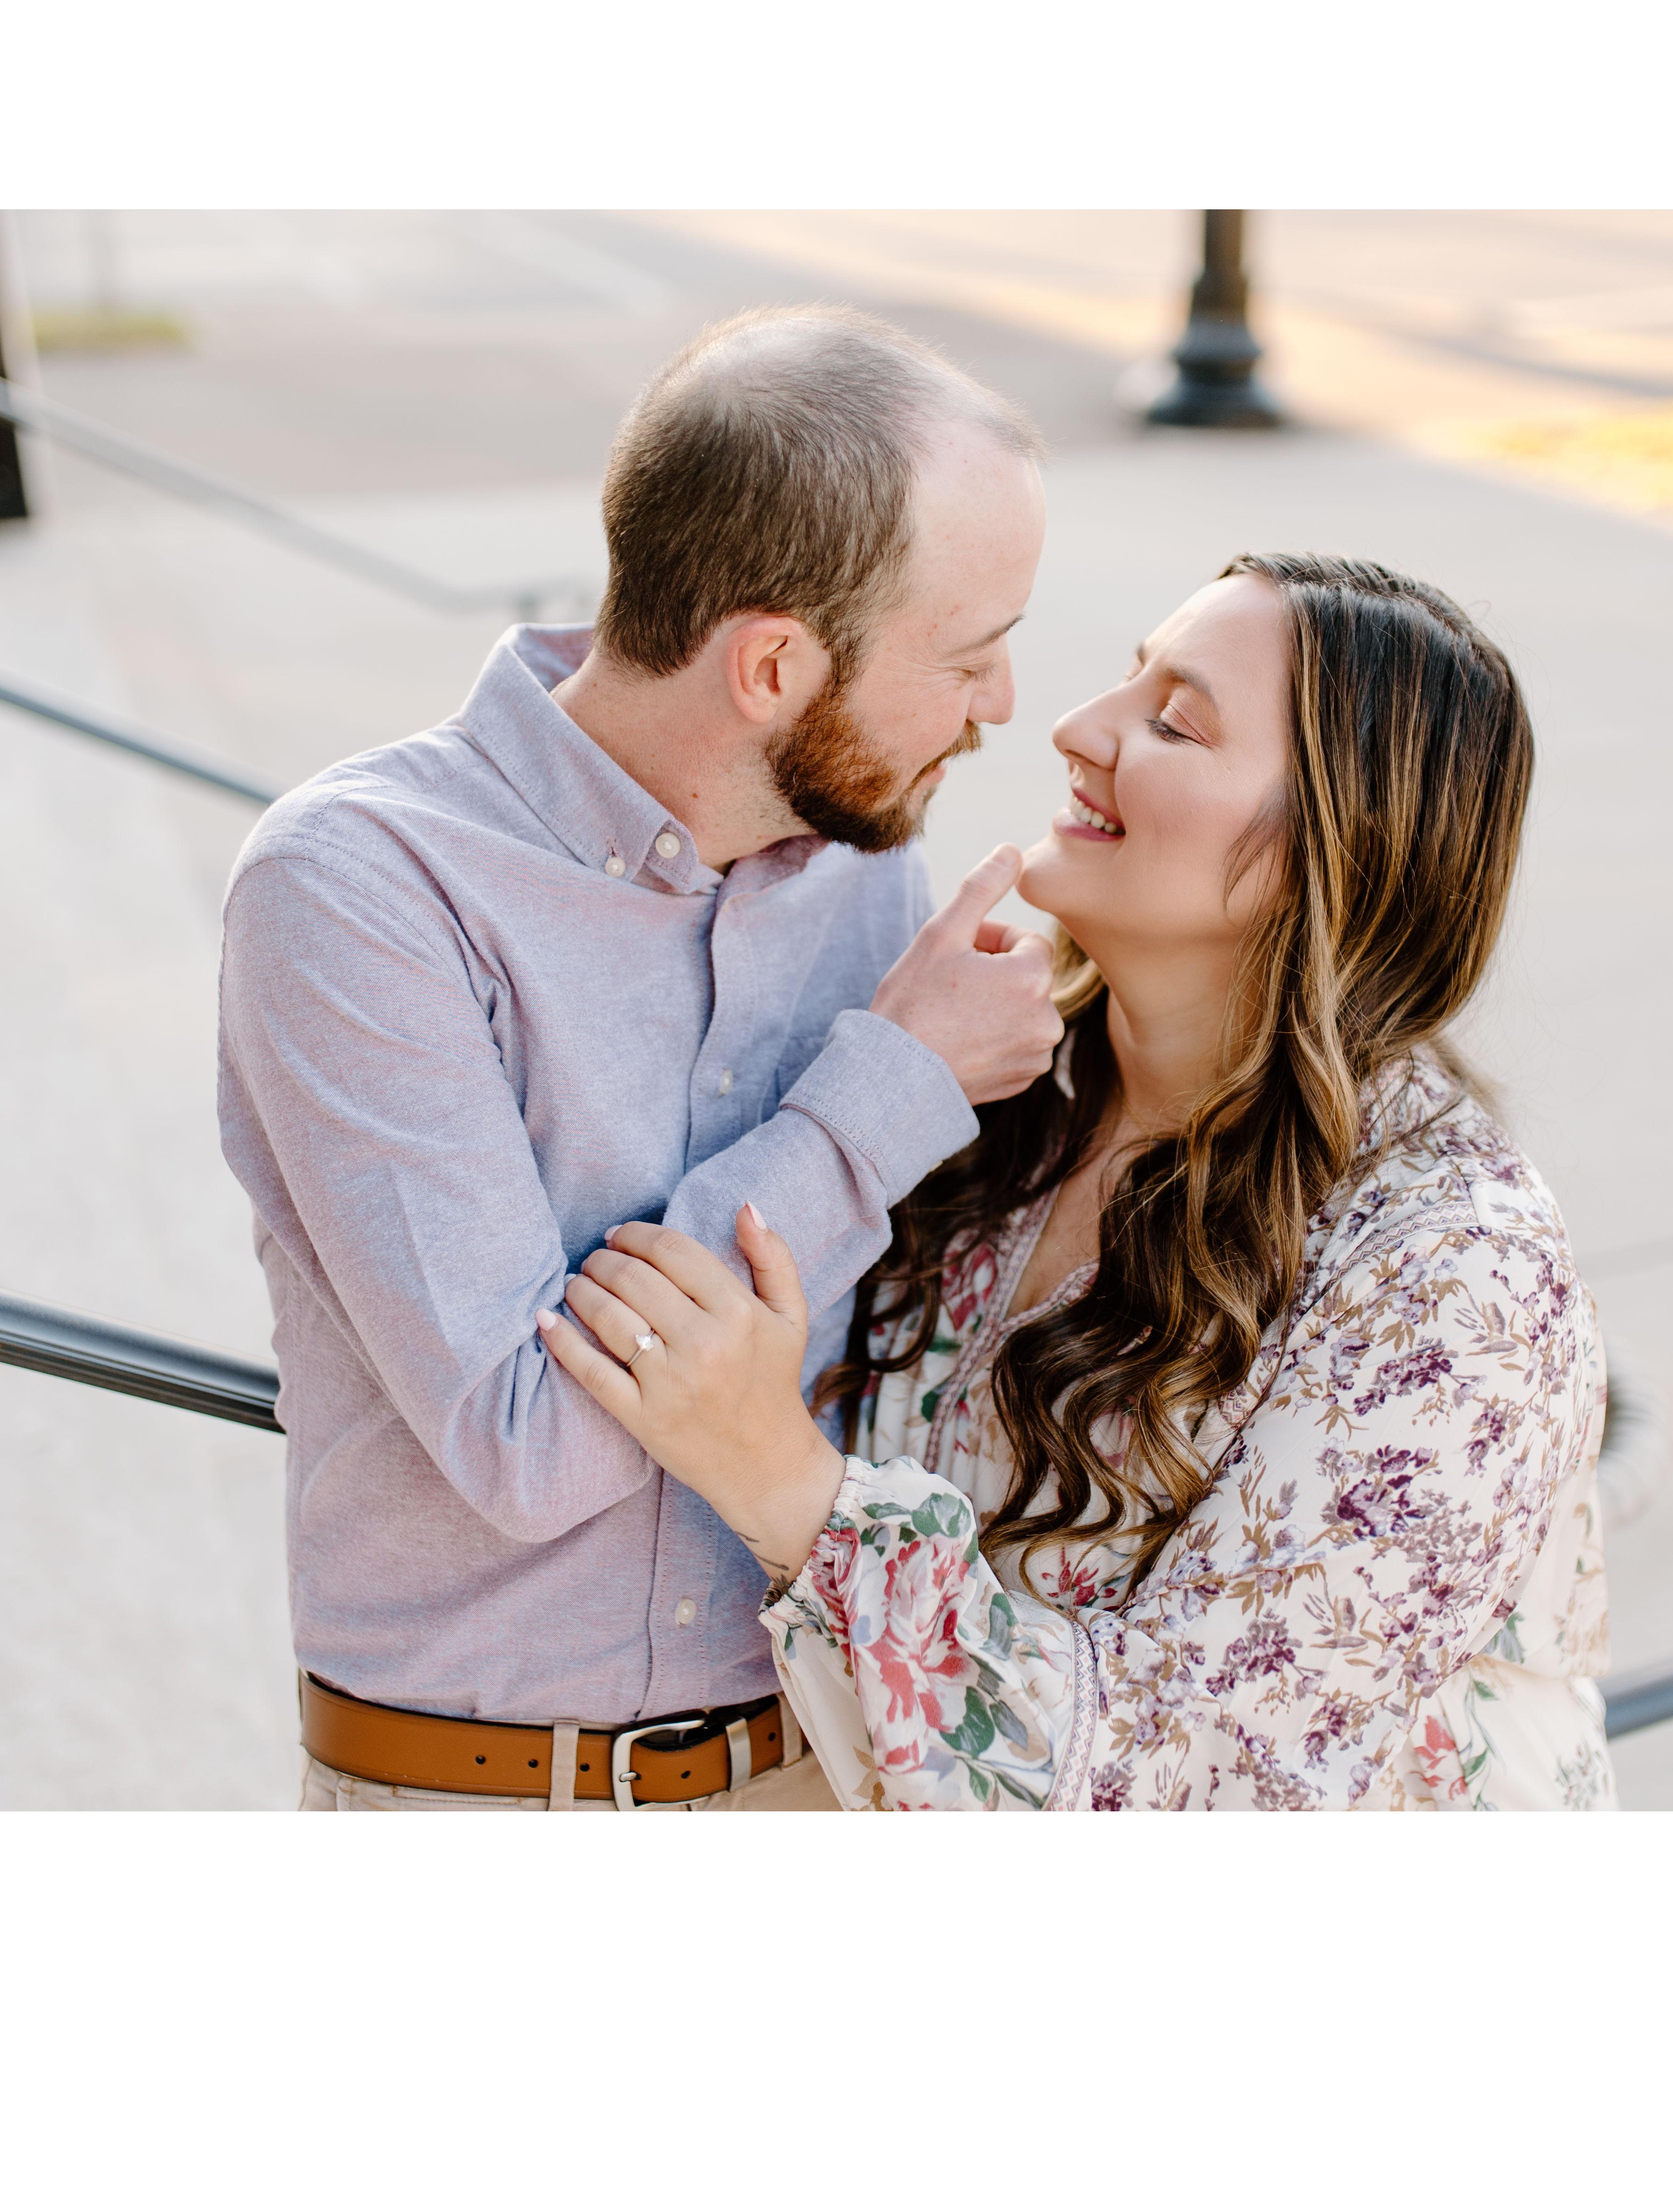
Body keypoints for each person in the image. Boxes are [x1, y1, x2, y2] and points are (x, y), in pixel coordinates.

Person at [547, 553, 1615, 1810]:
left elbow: (1192, 1783)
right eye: (1129, 682)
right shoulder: (999, 1078)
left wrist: (781, 1481)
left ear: (1333, 848)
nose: (1074, 728)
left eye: (1176, 724)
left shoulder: (1458, 1277)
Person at [217, 306, 1064, 1811]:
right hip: (480, 1807)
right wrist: (891, 1089)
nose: (1002, 704)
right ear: (772, 668)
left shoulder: (867, 868)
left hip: (823, 1767)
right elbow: (529, 1446)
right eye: (971, 655)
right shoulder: (360, 890)